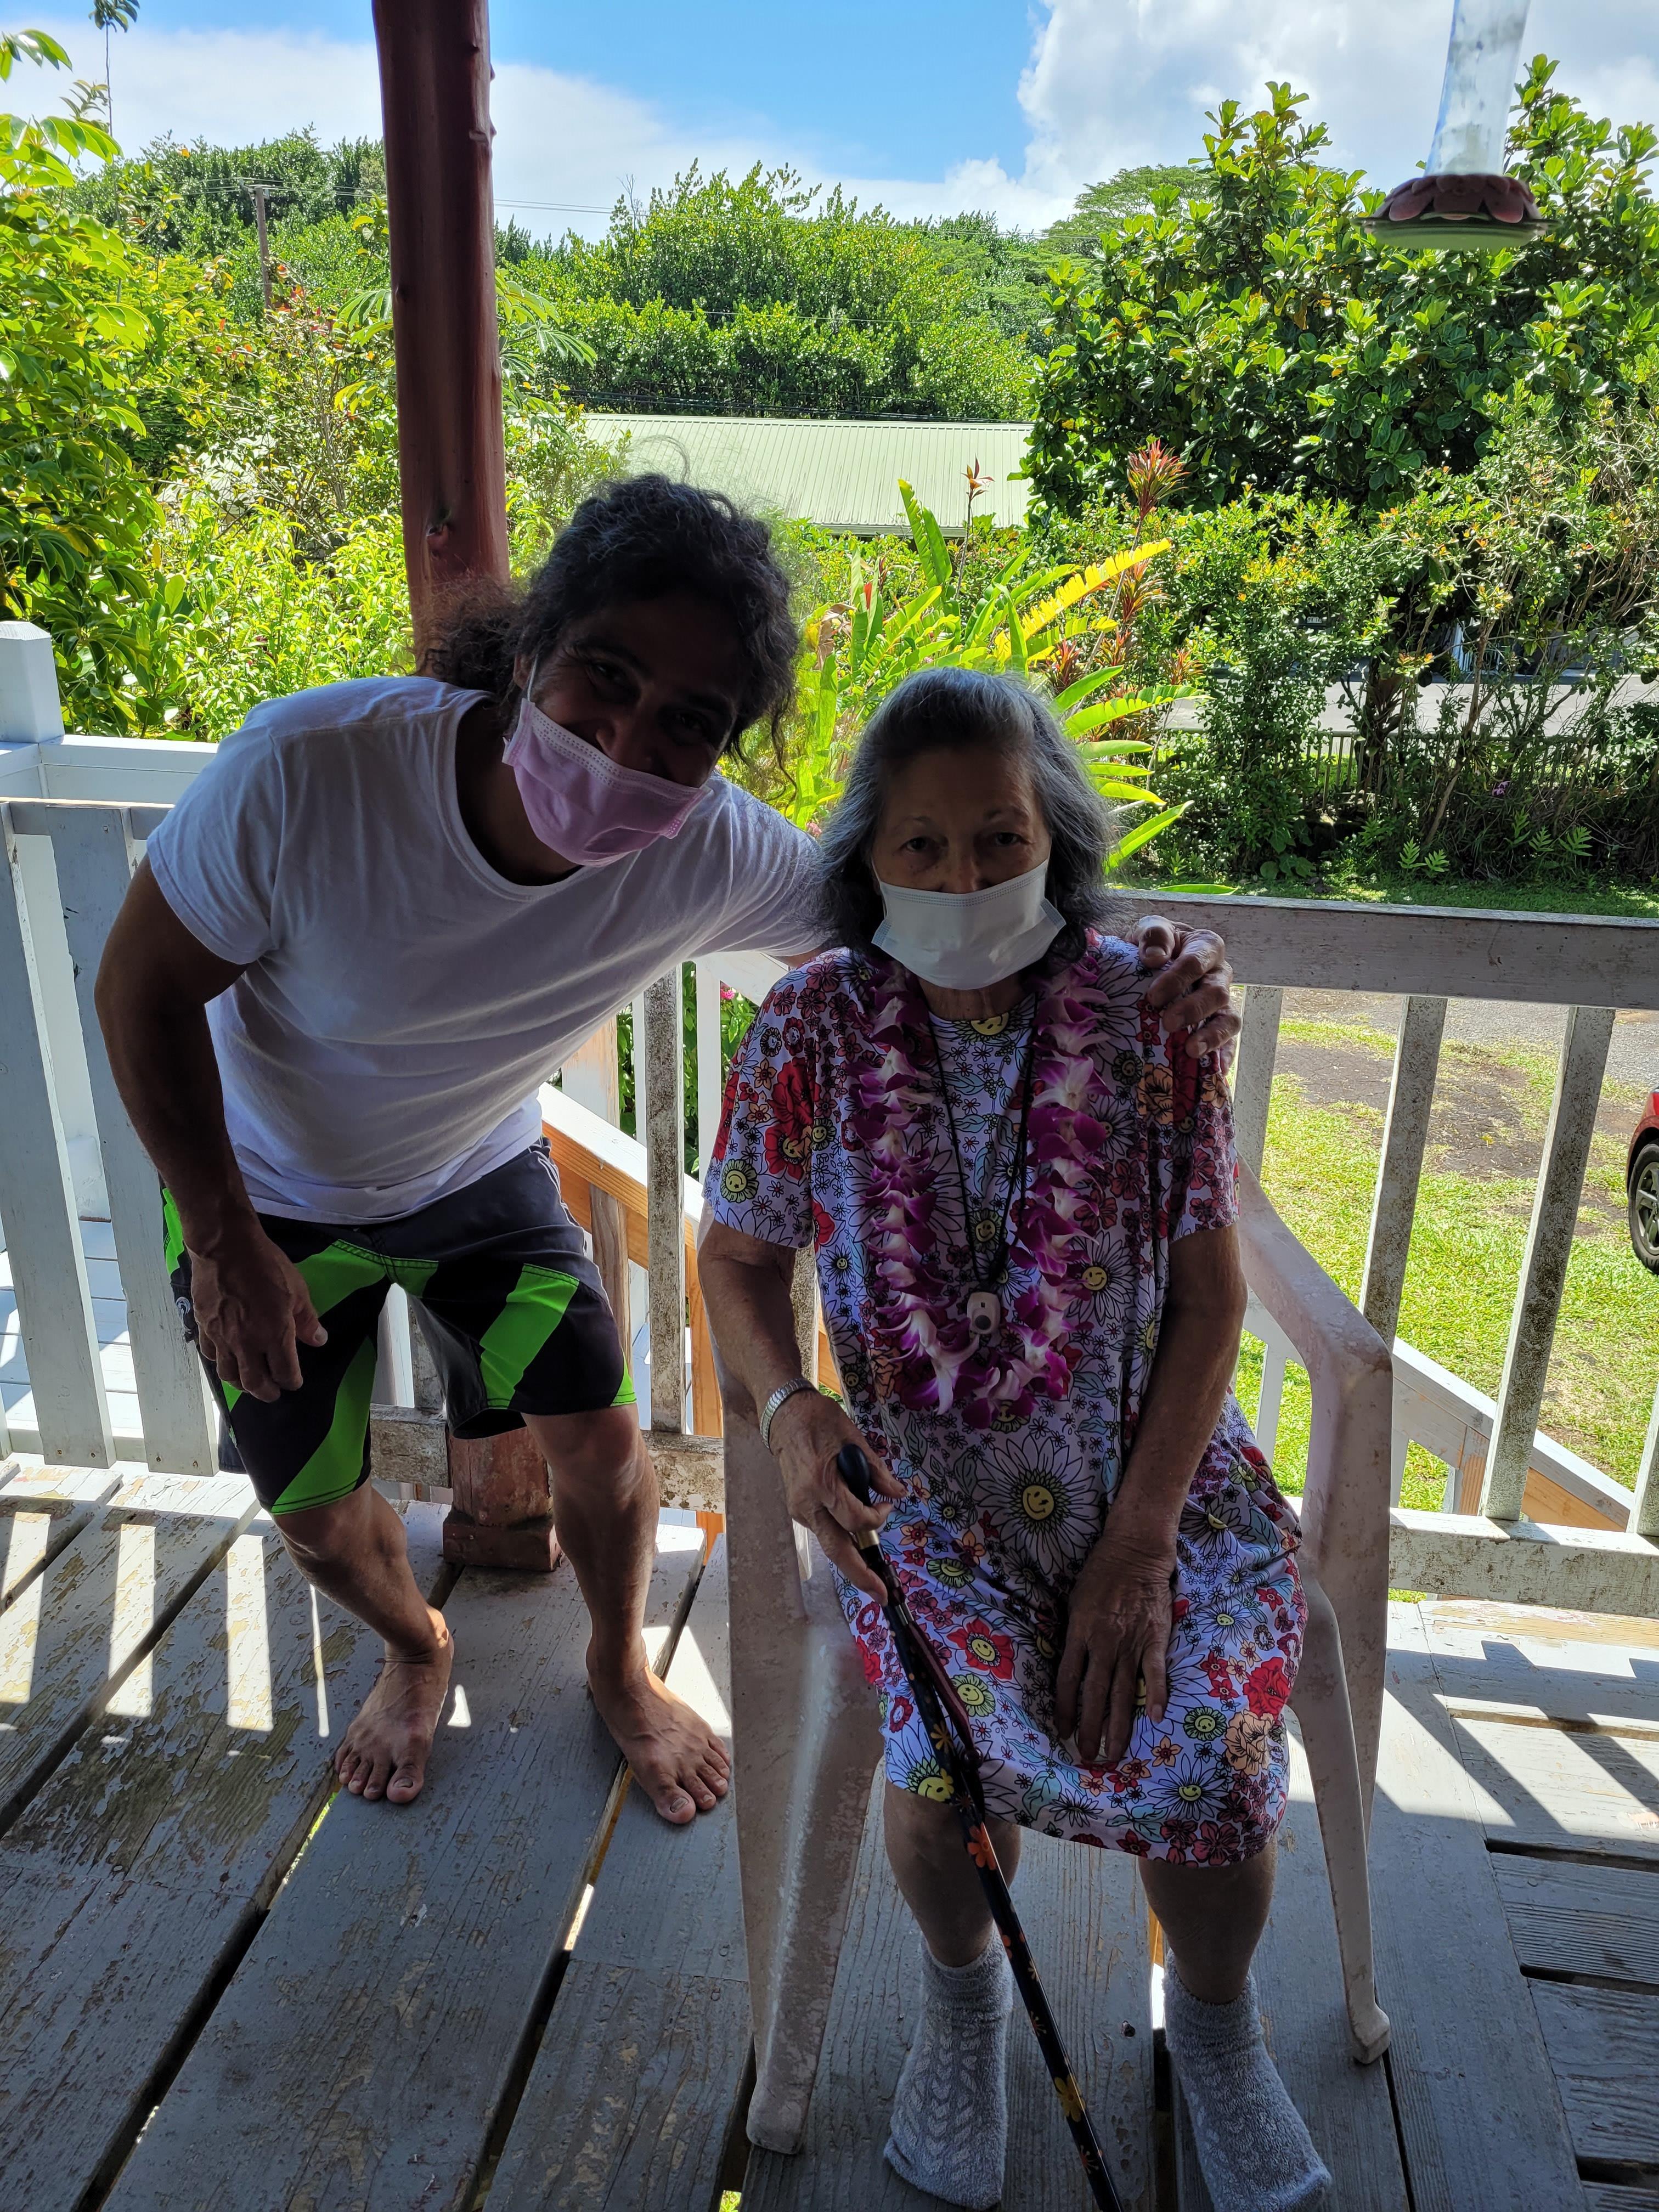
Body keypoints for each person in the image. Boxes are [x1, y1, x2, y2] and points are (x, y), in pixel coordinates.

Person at [97, 476, 1239, 1829]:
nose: (629, 744)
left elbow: (945, 909)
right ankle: (416, 1645)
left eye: (689, 722)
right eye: (606, 676)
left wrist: (1157, 959)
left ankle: (618, 1665)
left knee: (602, 1441)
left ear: (725, 749)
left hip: (474, 1175)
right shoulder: (310, 772)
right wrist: (221, 1237)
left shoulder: (709, 850)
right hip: (259, 1194)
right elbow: (141, 991)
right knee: (315, 1512)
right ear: (533, 645)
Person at [698, 666, 1328, 2211]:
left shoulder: (1150, 1014)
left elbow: (1210, 1298)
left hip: (1159, 1488)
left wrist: (1141, 1544)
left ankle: (1219, 2028)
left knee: (1214, 1758)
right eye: (922, 845)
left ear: (1057, 842)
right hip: (930, 1504)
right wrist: (787, 1405)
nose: (965, 875)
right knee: (940, 1766)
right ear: (869, 859)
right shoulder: (809, 1027)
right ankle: (966, 2003)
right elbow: (734, 1258)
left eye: (1001, 837)